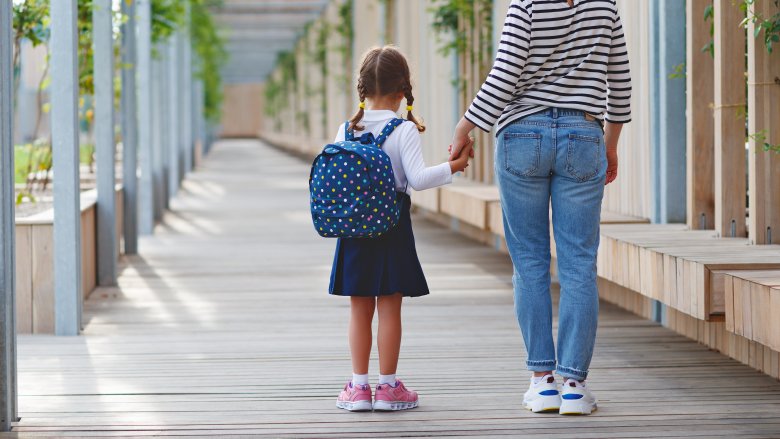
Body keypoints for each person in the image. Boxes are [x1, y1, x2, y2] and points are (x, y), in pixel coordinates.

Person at [449, 0, 632, 415]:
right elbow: (619, 84)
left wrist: (466, 125)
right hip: (584, 135)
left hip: (521, 134)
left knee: (529, 262)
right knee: (578, 263)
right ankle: (574, 385)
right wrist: (612, 145)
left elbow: (504, 75)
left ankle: (542, 382)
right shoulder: (605, 7)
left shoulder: (526, 6)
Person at [330, 46, 473, 412]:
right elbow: (419, 179)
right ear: (401, 91)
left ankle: (358, 389)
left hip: (354, 231)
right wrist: (454, 166)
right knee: (390, 308)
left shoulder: (346, 129)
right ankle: (389, 387)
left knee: (358, 309)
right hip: (392, 227)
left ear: (362, 88)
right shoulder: (403, 129)